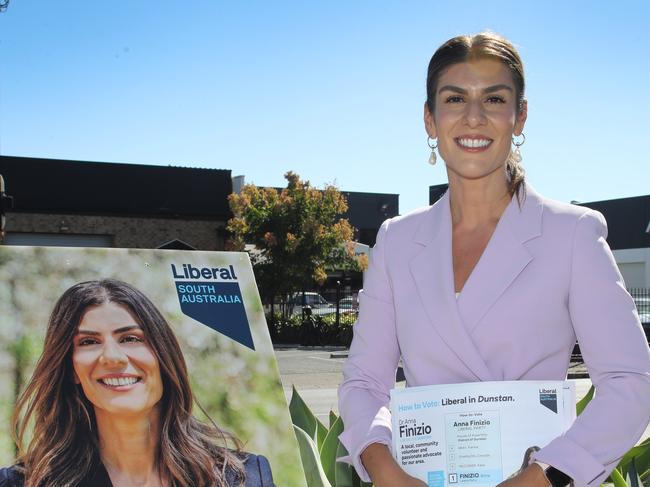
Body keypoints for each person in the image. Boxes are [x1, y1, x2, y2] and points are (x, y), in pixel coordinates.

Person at [338, 32, 650, 487]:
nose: (473, 117)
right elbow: (364, 382)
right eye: (455, 98)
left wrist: (544, 478)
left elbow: (631, 382)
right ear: (430, 118)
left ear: (519, 115)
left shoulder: (573, 234)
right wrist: (385, 470)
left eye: (494, 98)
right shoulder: (397, 240)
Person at [0, 279, 275, 487]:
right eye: (88, 342)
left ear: (163, 356)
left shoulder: (245, 476)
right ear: (71, 369)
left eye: (130, 338)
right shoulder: (21, 482)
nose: (113, 357)